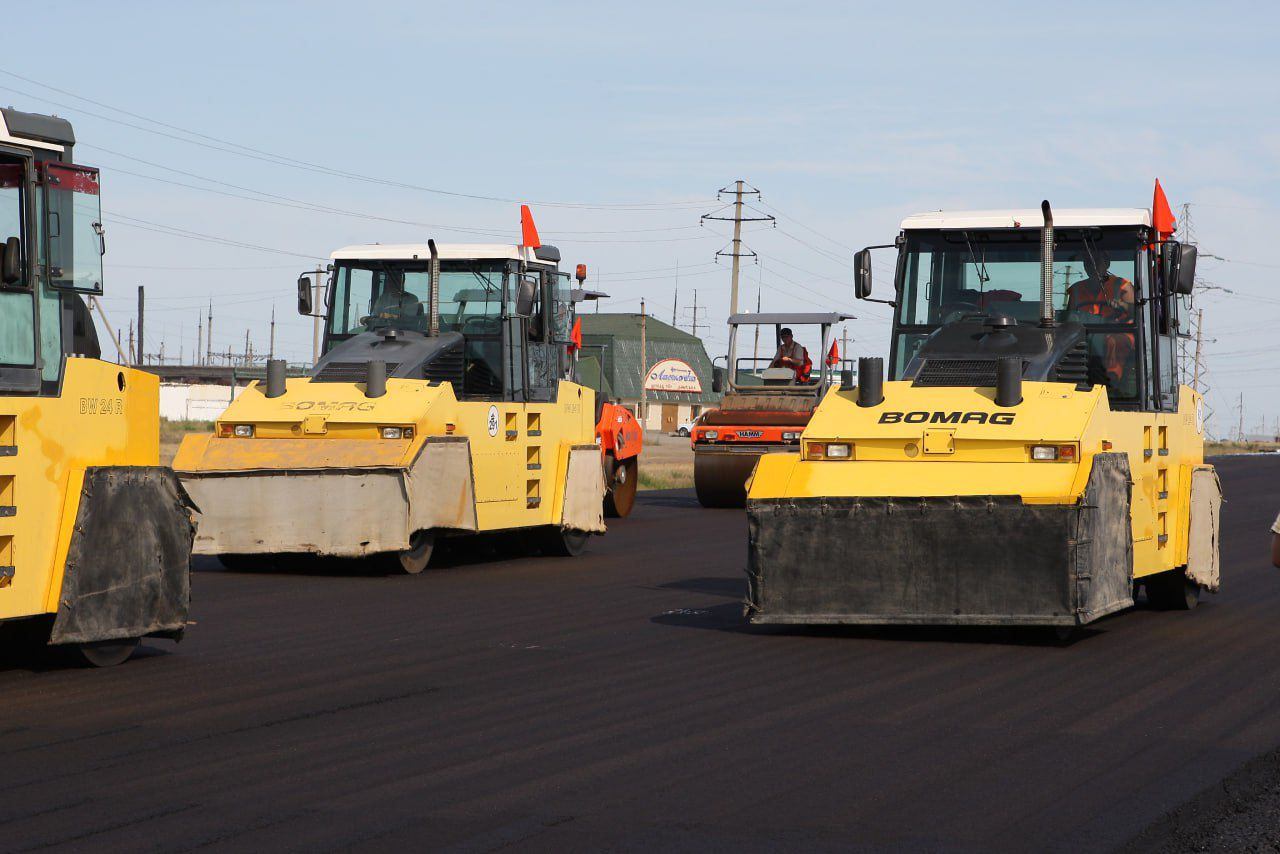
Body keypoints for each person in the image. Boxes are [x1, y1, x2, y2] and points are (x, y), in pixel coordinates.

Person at [1066, 250, 1135, 394]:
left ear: (1107, 264)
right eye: (1088, 263)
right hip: (1085, 334)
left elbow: (1137, 311)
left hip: (1114, 332)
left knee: (1114, 341)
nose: (1092, 266)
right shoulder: (1076, 289)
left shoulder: (1122, 286)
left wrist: (1122, 305)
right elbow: (1069, 317)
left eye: (1096, 262)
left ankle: (1112, 384)